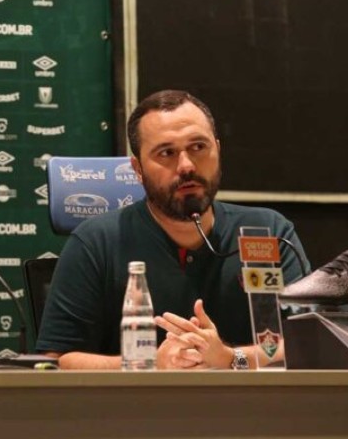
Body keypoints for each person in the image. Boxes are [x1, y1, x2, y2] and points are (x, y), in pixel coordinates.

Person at [36, 89, 310, 370]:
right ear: (137, 168)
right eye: (166, 153)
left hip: (250, 409)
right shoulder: (95, 242)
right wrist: (149, 364)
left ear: (218, 149)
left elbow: (304, 341)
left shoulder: (267, 231)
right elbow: (58, 360)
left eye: (198, 147)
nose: (187, 165)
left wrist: (231, 359)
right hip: (135, 411)